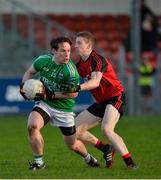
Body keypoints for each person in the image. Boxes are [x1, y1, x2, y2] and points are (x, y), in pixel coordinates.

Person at [19, 36, 100, 170]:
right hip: (45, 104)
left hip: (64, 109)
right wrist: (24, 86)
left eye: (68, 51)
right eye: (63, 51)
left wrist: (51, 94)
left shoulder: (71, 71)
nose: (67, 54)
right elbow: (29, 72)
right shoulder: (43, 60)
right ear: (53, 51)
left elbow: (74, 93)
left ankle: (88, 158)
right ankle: (39, 163)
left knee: (72, 145)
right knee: (32, 127)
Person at [65, 31, 137, 169]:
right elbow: (72, 83)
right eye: (76, 43)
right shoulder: (79, 65)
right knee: (74, 131)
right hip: (101, 102)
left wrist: (76, 87)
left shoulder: (98, 60)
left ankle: (130, 163)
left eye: (79, 43)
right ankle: (105, 148)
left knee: (107, 129)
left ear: (88, 46)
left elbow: (95, 83)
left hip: (115, 96)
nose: (75, 46)